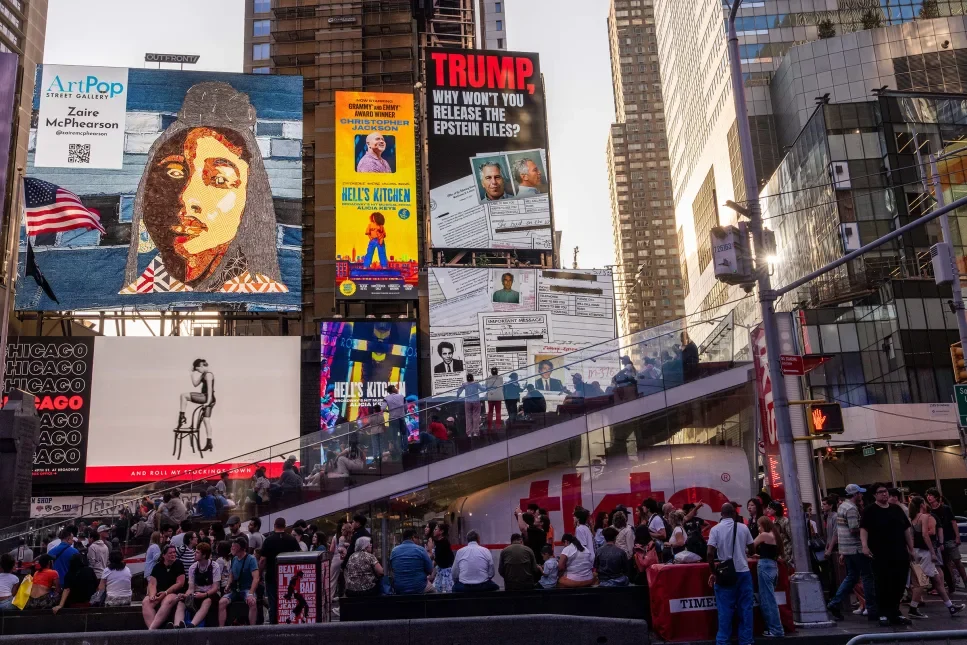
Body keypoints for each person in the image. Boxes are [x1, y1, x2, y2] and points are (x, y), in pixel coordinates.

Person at [121, 82, 288, 295]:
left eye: (219, 180)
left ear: (250, 197)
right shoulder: (139, 291)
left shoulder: (263, 290)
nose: (188, 198)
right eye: (173, 174)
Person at [861, 482, 915, 626]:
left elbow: (906, 530)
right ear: (874, 495)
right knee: (882, 583)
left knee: (899, 582)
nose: (884, 494)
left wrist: (911, 548)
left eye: (885, 491)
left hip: (899, 552)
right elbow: (864, 529)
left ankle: (895, 612)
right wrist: (865, 546)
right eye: (881, 492)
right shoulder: (870, 510)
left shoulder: (896, 509)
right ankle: (883, 613)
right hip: (880, 553)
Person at [908, 495, 964, 618]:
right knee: (921, 583)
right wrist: (933, 552)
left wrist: (911, 551)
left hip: (917, 551)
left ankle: (950, 607)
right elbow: (925, 535)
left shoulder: (912, 518)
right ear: (922, 504)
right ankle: (913, 609)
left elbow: (911, 536)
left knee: (937, 580)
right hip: (925, 552)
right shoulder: (924, 517)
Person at [827, 483, 877, 620]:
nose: (861, 495)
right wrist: (868, 529)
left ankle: (835, 602)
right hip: (856, 548)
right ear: (855, 494)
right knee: (867, 576)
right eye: (859, 493)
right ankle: (872, 608)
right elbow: (854, 529)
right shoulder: (851, 509)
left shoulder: (842, 506)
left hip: (846, 548)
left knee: (852, 577)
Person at [707, 503, 755, 645]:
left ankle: (723, 641)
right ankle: (746, 641)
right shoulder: (743, 527)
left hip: (725, 573)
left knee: (725, 610)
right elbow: (752, 549)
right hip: (743, 572)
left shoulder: (715, 529)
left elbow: (710, 553)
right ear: (734, 514)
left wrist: (713, 572)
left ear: (721, 515)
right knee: (745, 608)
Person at [926, 488, 967, 594]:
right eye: (928, 495)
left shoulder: (945, 508)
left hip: (949, 538)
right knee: (946, 563)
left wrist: (957, 536)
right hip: (938, 541)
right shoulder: (929, 510)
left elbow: (953, 522)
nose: (929, 497)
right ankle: (951, 584)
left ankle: (965, 581)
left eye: (931, 495)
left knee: (957, 561)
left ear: (936, 497)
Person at [260, 517, 300, 623]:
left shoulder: (268, 540)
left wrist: (259, 573)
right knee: (288, 600)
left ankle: (274, 624)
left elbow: (263, 560)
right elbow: (299, 555)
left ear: (274, 526)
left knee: (273, 601)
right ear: (285, 526)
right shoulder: (291, 539)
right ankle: (288, 621)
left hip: (272, 575)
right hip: (289, 575)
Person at [174, 542, 220, 628]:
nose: (194, 554)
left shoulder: (214, 566)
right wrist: (185, 595)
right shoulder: (193, 567)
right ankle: (176, 626)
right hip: (196, 593)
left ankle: (192, 625)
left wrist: (204, 595)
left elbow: (215, 588)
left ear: (204, 555)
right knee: (181, 602)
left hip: (210, 594)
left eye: (197, 552)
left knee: (207, 601)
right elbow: (191, 588)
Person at [752, 516, 784, 637]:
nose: (759, 529)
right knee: (770, 598)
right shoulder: (775, 535)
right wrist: (760, 556)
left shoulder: (764, 535)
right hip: (773, 566)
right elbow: (771, 554)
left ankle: (776, 630)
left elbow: (750, 545)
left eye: (759, 526)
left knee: (767, 600)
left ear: (764, 525)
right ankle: (776, 628)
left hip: (765, 567)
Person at [176, 359, 216, 452]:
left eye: (198, 369)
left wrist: (207, 402)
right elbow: (195, 384)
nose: (198, 371)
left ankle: (182, 416)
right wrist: (191, 373)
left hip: (207, 397)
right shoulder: (204, 374)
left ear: (202, 365)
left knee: (183, 396)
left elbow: (210, 390)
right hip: (210, 400)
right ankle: (209, 443)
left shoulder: (208, 375)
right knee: (206, 421)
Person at [219, 537, 260, 626]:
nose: (232, 548)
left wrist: (251, 593)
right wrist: (228, 585)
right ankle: (221, 629)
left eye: (234, 546)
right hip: (235, 590)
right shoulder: (234, 559)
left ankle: (253, 629)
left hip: (247, 589)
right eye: (232, 546)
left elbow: (256, 578)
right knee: (222, 602)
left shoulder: (251, 559)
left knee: (252, 603)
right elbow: (231, 574)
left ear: (241, 548)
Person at [144, 545, 185, 629]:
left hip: (173, 592)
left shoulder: (179, 564)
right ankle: (154, 630)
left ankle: (151, 629)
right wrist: (152, 595)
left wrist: (166, 592)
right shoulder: (157, 567)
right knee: (146, 602)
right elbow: (152, 583)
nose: (173, 554)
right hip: (159, 592)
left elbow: (180, 583)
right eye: (170, 553)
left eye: (174, 552)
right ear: (164, 555)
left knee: (167, 601)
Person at [389, 529, 433, 594]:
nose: (418, 540)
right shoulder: (421, 549)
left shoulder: (394, 551)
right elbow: (430, 570)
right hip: (419, 587)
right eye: (417, 538)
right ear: (412, 537)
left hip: (399, 588)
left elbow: (392, 569)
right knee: (434, 590)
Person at [765, 501, 793, 568]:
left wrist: (792, 556)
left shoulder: (785, 521)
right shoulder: (773, 521)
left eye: (769, 508)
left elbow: (792, 538)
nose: (767, 510)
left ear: (775, 510)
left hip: (787, 553)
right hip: (778, 553)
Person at [457, 374, 483, 438]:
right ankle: (475, 432)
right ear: (473, 378)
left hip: (467, 401)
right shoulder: (476, 383)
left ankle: (469, 433)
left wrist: (457, 396)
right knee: (476, 416)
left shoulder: (465, 384)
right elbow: (483, 389)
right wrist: (487, 387)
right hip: (476, 401)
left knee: (468, 416)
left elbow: (459, 391)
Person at [382, 384, 407, 451]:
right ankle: (405, 449)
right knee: (404, 434)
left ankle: (396, 450)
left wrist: (389, 411)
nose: (397, 389)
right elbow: (406, 407)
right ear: (393, 389)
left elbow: (383, 408)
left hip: (392, 419)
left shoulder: (386, 398)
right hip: (401, 418)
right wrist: (403, 412)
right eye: (395, 388)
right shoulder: (402, 396)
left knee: (394, 436)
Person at [432, 523, 455, 593]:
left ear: (441, 531)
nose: (434, 531)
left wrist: (429, 568)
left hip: (445, 573)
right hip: (442, 571)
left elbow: (438, 558)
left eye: (436, 529)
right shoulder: (441, 542)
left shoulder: (443, 543)